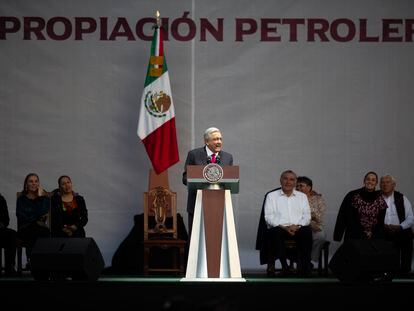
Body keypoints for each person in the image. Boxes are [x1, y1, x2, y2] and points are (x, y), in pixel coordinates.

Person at [257, 170, 312, 277]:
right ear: (280, 180)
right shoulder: (271, 196)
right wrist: (285, 227)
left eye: (292, 179)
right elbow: (268, 217)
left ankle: (304, 267)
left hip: (297, 227)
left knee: (306, 232)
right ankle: (285, 266)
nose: (288, 182)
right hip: (280, 227)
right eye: (285, 178)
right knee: (274, 233)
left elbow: (307, 216)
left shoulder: (302, 197)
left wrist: (297, 226)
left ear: (295, 182)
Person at [182, 127, 233, 236]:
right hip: (197, 203)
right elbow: (185, 178)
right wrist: (199, 180)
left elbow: (231, 180)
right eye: (215, 139)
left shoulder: (228, 157)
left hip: (219, 205)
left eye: (220, 139)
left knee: (217, 238)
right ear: (206, 141)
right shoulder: (194, 155)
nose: (219, 142)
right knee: (196, 238)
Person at [333, 171, 388, 242]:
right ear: (364, 181)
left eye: (373, 180)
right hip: (355, 234)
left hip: (373, 235)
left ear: (376, 183)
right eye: (368, 179)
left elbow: (380, 221)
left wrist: (372, 232)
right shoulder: (352, 195)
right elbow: (342, 215)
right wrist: (337, 236)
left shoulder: (380, 199)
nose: (370, 182)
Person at [380, 175, 413, 276]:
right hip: (383, 231)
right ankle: (386, 273)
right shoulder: (376, 198)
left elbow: (411, 218)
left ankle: (404, 273)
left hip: (400, 231)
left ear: (394, 185)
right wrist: (383, 226)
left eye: (388, 182)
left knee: (407, 236)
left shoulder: (402, 198)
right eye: (382, 182)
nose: (385, 184)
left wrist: (399, 227)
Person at [16, 173, 50, 264]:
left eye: (36, 181)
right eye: (31, 181)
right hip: (25, 228)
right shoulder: (21, 199)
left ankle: (42, 261)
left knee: (44, 232)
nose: (34, 183)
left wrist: (40, 197)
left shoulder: (45, 199)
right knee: (34, 230)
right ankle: (33, 260)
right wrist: (36, 218)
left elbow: (43, 212)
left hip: (40, 228)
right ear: (26, 184)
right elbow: (22, 216)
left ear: (38, 184)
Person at [296, 176, 327, 267]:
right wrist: (309, 218)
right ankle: (303, 261)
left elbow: (319, 217)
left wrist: (308, 215)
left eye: (301, 186)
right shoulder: (294, 198)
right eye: (297, 186)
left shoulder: (318, 199)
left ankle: (308, 259)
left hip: (315, 226)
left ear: (309, 187)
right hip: (299, 227)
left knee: (320, 236)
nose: (298, 188)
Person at [0, 193, 17, 276]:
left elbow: (6, 220)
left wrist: (2, 224)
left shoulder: (1, 199)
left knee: (12, 235)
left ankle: (9, 267)